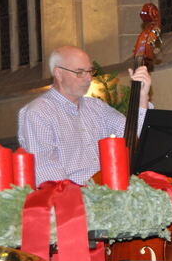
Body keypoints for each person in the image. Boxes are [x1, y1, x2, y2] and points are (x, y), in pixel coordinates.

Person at [18, 45, 152, 187]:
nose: (88, 78)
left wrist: (142, 98)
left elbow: (132, 137)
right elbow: (45, 168)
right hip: (71, 200)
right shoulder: (38, 112)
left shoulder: (96, 107)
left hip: (105, 194)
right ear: (58, 73)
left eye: (90, 71)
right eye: (80, 72)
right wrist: (82, 199)